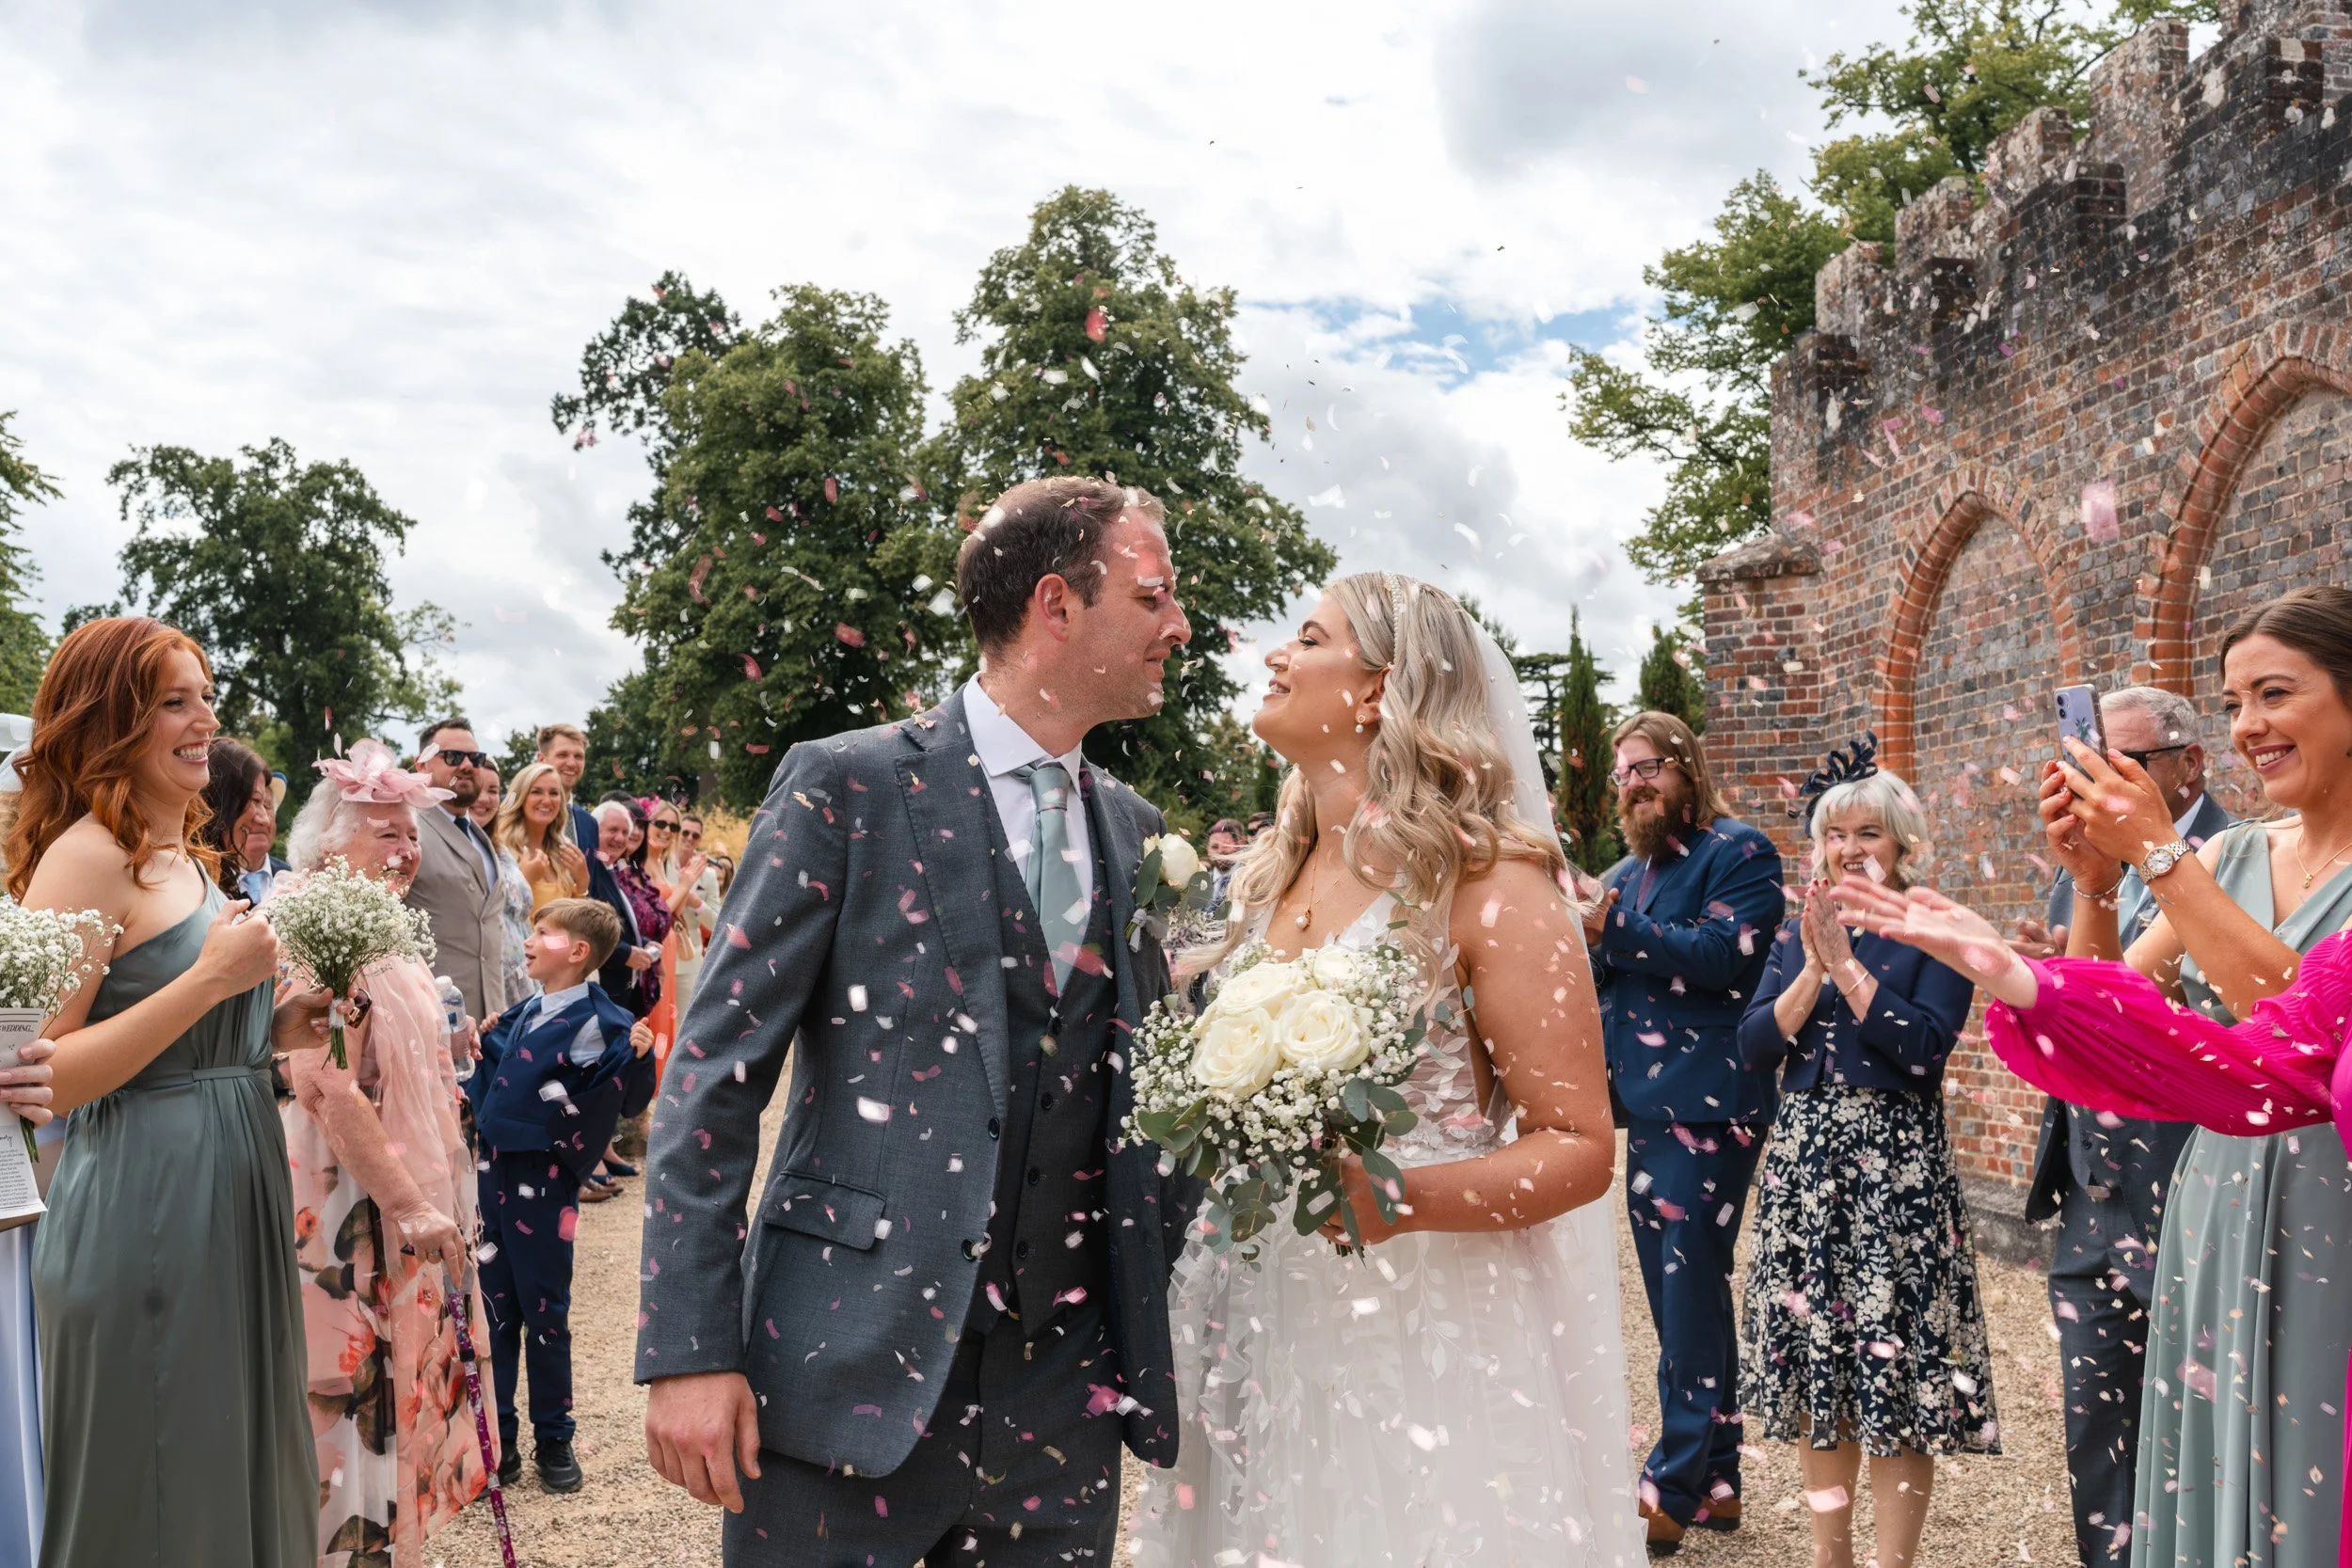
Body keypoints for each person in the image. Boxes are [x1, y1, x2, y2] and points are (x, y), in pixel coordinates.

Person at [636, 476, 1201, 1565]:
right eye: (1155, 595)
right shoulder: (843, 785)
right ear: (1056, 603)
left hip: (1060, 1407)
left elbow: (1140, 1092)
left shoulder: (1135, 828)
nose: (1177, 626)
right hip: (841, 1371)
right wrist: (687, 1348)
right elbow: (713, 1072)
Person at [1128, 573, 1634, 1566]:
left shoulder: (1489, 879)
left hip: (1419, 1323)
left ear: (1375, 690)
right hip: (1252, 1311)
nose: (1276, 654)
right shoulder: (1272, 867)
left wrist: (1401, 1196)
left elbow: (1580, 1146)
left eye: (1306, 636)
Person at [1857, 585, 2352, 1567]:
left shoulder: (2191, 858)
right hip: (2213, 1198)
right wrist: (2092, 882)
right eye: (2233, 700)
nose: (2249, 724)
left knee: (2314, 1465)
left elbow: (2303, 1023)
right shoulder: (2230, 851)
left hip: (2328, 1198)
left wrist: (2159, 857)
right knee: (2212, 1464)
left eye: (2274, 693)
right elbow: (2109, 1013)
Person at [8, 616, 335, 1567]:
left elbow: (168, 1039)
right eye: (173, 700)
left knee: (223, 1466)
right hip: (144, 1205)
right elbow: (40, 1074)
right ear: (112, 718)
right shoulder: (87, 854)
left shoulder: (183, 855)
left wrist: (268, 1031)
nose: (204, 721)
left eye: (206, 697)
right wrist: (210, 982)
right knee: (159, 1486)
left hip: (228, 1187)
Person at [1736, 744, 1993, 1568]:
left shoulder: (1934, 927)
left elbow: (1923, 1049)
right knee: (1822, 1370)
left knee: (1902, 1373)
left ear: (1903, 841)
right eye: (1835, 832)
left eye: (1869, 831)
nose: (1850, 846)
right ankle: (1829, 1556)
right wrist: (1812, 967)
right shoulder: (1799, 925)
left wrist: (1848, 969)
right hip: (1806, 1164)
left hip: (1897, 1172)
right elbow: (1751, 1046)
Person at [2012, 685, 2229, 1566]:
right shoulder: (2084, 861)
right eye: (2093, 754)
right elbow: (2086, 1009)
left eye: (2128, 759)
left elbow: (2195, 1013)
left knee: (2198, 1437)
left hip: (2189, 1184)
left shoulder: (2231, 856)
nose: (2104, 774)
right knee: (2095, 1434)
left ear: (2189, 763)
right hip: (2090, 1198)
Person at [277, 740, 488, 1565]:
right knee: (345, 1394)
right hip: (339, 1206)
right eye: (385, 834)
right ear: (330, 844)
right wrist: (411, 1204)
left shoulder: (385, 933)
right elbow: (323, 1085)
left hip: (381, 1189)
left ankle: (380, 1549)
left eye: (410, 834)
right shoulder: (314, 931)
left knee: (389, 1398)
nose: (405, 851)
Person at [1587, 709, 1786, 1550]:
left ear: (1687, 768)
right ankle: (1720, 1474)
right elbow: (1598, 966)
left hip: (1712, 1106)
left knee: (1688, 1286)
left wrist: (1609, 929)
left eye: (1648, 767)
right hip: (1643, 1107)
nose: (1634, 782)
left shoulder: (1739, 853)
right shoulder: (1624, 873)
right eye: (1622, 772)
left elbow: (1719, 954)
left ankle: (1671, 1480)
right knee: (1683, 1293)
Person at [468, 896, 655, 1495]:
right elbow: (495, 1074)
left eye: (540, 932)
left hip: (544, 1182)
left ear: (576, 953)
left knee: (544, 1311)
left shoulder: (606, 1022)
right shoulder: (524, 1011)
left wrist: (640, 1056)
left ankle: (554, 1436)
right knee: (493, 1311)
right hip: (491, 1174)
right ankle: (499, 1439)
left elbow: (624, 1098)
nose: (527, 939)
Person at [404, 717, 510, 1023]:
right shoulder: (406, 829)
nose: (467, 765)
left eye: (476, 758)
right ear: (421, 764)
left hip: (490, 1019)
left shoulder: (478, 835)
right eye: (452, 757)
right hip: (430, 1017)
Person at [591, 799, 665, 1021]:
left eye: (625, 832)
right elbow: (587, 929)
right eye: (613, 830)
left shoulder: (609, 870)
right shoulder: (591, 871)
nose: (621, 838)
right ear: (594, 830)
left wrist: (641, 942)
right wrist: (625, 953)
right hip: (602, 992)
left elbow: (617, 925)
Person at [470, 763, 537, 1006]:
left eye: (493, 790)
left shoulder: (501, 850)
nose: (484, 799)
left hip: (526, 980)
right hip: (488, 986)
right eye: (477, 790)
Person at [495, 760, 590, 916]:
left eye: (553, 793)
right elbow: (493, 915)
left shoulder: (564, 851)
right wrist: (525, 880)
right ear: (521, 797)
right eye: (536, 792)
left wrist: (582, 883)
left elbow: (574, 923)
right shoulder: (500, 847)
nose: (546, 800)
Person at [199, 737, 286, 903]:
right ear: (216, 808)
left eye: (267, 805)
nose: (264, 820)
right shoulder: (196, 886)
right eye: (252, 801)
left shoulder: (295, 879)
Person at [669, 811, 722, 1008]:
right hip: (663, 947)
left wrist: (697, 903)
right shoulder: (660, 865)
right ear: (676, 833)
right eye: (685, 832)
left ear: (700, 840)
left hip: (690, 954)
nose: (689, 838)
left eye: (695, 835)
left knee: (684, 1017)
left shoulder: (708, 875)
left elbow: (718, 922)